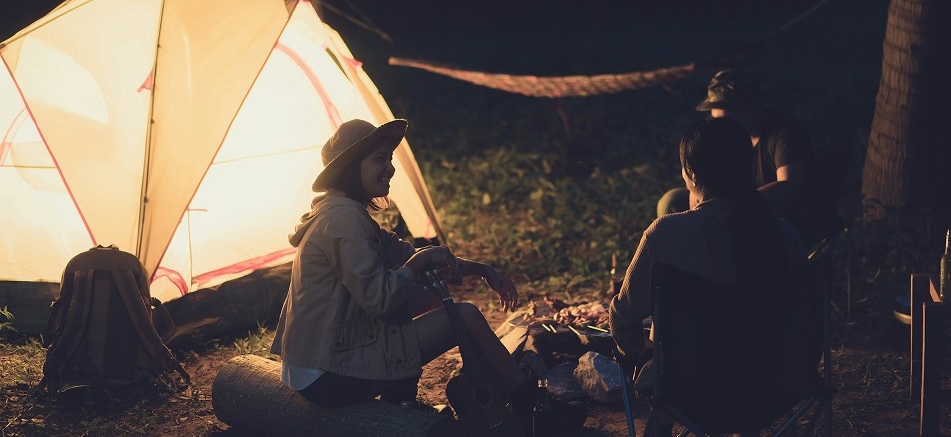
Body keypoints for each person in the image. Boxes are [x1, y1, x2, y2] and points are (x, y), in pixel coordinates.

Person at [269, 118, 584, 434]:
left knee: (433, 296)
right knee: (464, 316)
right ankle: (532, 405)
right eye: (380, 159)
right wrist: (415, 267)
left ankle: (413, 396)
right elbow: (380, 298)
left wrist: (480, 270)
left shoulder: (344, 212)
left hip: (325, 357)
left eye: (389, 158)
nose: (390, 168)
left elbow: (409, 256)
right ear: (352, 167)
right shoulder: (343, 220)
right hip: (327, 375)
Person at [610, 117, 808, 433]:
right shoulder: (783, 234)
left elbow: (623, 317)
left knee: (662, 347)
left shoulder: (665, 235)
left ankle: (660, 420)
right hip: (772, 386)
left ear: (691, 174)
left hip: (692, 390)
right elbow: (804, 317)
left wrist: (639, 355)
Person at [656, 67, 826, 246]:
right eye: (715, 117)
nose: (719, 124)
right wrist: (696, 193)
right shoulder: (721, 136)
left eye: (727, 116)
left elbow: (790, 186)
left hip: (768, 219)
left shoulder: (783, 133)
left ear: (751, 107)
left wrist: (733, 204)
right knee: (672, 202)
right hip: (725, 212)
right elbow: (698, 174)